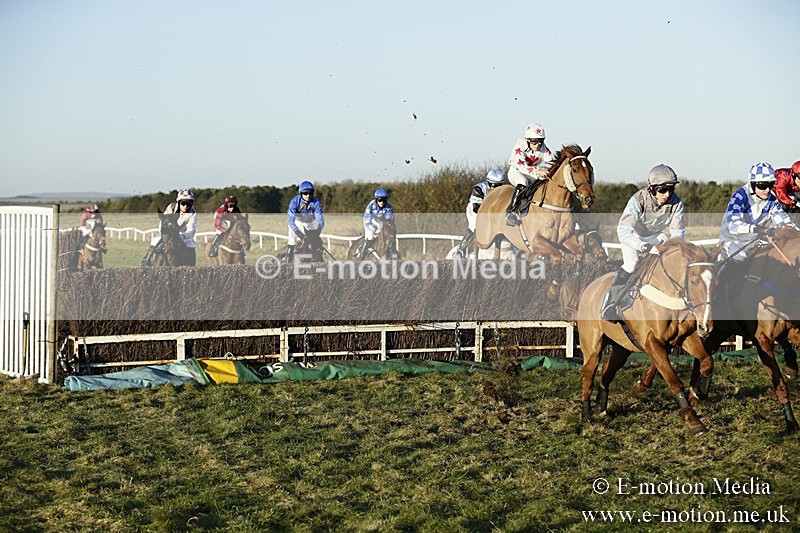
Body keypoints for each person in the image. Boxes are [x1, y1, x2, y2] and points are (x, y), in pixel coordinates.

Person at [600, 164, 686, 321]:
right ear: (652, 188)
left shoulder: (677, 203)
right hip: (633, 237)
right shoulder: (638, 200)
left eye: (671, 189)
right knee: (632, 264)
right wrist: (641, 246)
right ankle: (610, 303)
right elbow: (624, 230)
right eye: (662, 190)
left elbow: (677, 235)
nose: (667, 194)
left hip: (656, 237)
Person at [718, 162, 795, 264]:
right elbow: (732, 225)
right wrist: (755, 228)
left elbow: (783, 221)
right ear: (752, 184)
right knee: (740, 260)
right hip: (734, 242)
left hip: (756, 241)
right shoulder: (740, 196)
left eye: (771, 185)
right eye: (763, 186)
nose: (767, 190)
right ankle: (722, 277)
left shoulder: (772, 199)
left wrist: (795, 233)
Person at [505, 122, 556, 226]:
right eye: (534, 142)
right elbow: (522, 166)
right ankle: (511, 212)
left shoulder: (544, 149)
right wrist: (538, 172)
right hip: (516, 172)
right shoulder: (519, 147)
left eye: (541, 141)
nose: (538, 145)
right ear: (527, 140)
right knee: (522, 182)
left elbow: (552, 163)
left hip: (532, 173)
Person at [141, 188, 198, 266]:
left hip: (183, 234)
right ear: (179, 202)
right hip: (167, 232)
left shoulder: (193, 212)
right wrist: (164, 234)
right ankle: (145, 262)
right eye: (183, 203)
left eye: (189, 203)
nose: (186, 206)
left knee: (191, 245)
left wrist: (182, 236)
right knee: (155, 241)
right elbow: (163, 221)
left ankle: (192, 268)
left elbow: (191, 230)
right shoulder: (171, 207)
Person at [456, 169, 505, 256]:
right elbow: (476, 208)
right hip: (475, 209)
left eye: (500, 185)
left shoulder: (503, 190)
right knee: (474, 226)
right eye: (495, 185)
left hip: (491, 212)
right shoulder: (479, 188)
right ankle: (461, 249)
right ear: (489, 182)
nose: (497, 188)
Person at [286, 181, 325, 261]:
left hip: (310, 222)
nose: (308, 195)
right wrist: (297, 232)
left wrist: (318, 230)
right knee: (292, 236)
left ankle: (319, 257)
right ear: (301, 193)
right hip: (297, 222)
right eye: (305, 193)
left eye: (310, 193)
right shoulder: (294, 202)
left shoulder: (316, 202)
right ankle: (289, 258)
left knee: (316, 240)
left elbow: (320, 219)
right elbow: (290, 220)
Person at [357, 188, 394, 259]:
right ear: (376, 200)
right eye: (380, 200)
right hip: (370, 221)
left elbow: (388, 220)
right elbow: (367, 221)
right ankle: (362, 254)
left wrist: (384, 228)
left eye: (384, 200)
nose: (382, 202)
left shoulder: (389, 207)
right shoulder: (370, 206)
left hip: (380, 221)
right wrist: (374, 230)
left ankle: (392, 253)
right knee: (370, 236)